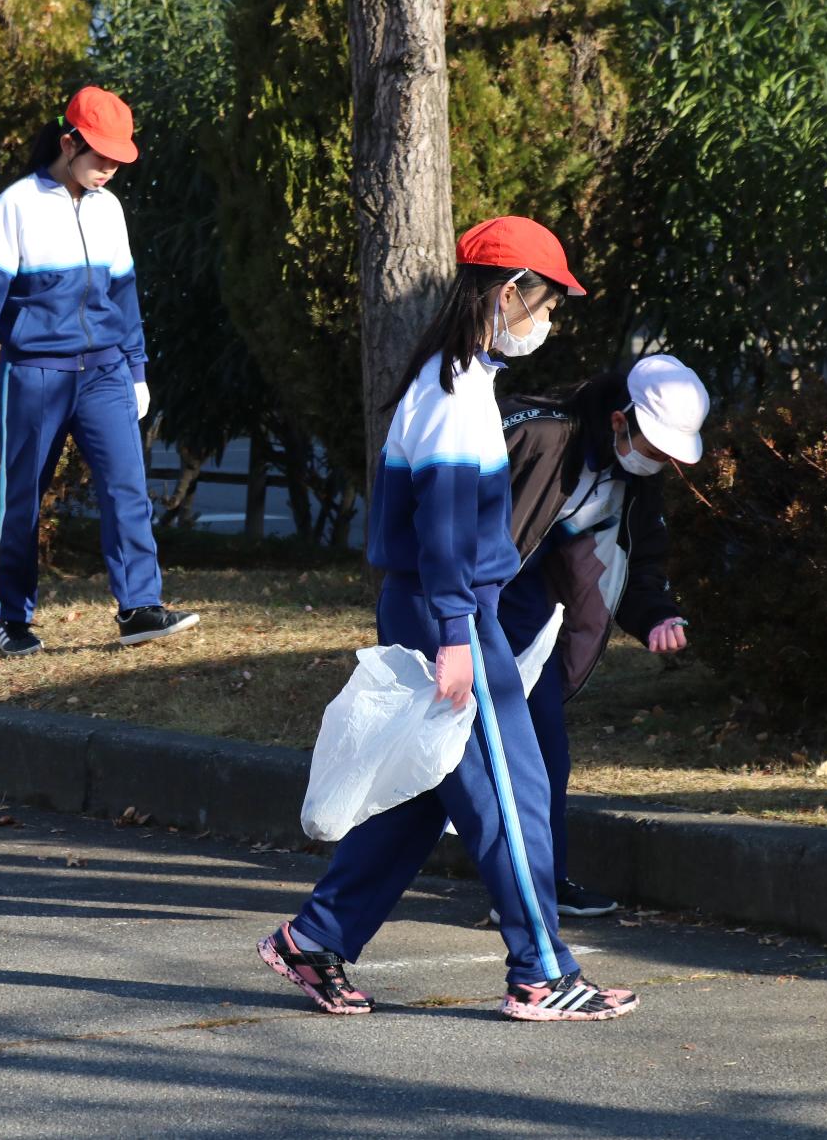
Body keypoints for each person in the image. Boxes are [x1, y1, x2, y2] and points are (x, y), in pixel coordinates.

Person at [258, 216, 640, 1023]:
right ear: (508, 294)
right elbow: (440, 532)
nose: (551, 319)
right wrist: (457, 634)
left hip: (450, 606)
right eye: (547, 302)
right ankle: (541, 971)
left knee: (427, 788)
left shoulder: (458, 381)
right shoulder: (451, 390)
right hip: (451, 611)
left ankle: (314, 938)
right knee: (513, 792)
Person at [0, 85, 198, 656]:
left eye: (118, 159)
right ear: (69, 142)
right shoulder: (16, 204)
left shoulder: (110, 209)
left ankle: (139, 608)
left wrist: (137, 370)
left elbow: (125, 296)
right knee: (22, 497)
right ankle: (12, 618)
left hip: (107, 371)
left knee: (127, 487)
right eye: (101, 157)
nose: (109, 170)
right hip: (35, 373)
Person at [496, 355, 710, 920]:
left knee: (542, 756)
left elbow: (640, 561)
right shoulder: (537, 431)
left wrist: (657, 615)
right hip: (474, 608)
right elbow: (449, 508)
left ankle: (537, 887)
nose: (661, 461)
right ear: (620, 421)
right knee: (451, 764)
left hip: (532, 616)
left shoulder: (636, 479)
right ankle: (520, 893)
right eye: (657, 447)